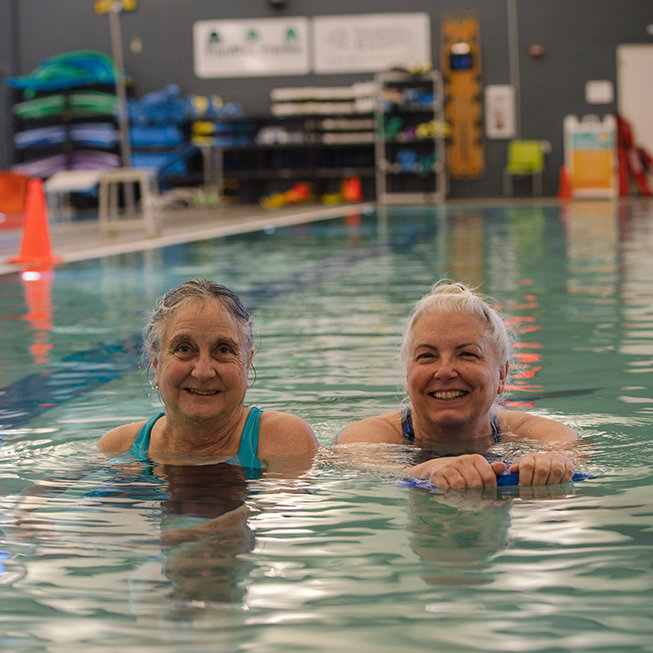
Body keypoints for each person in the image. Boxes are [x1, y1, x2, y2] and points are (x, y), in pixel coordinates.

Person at [336, 280, 580, 489]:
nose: (444, 371)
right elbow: (361, 464)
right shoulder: (368, 437)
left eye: (467, 354)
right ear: (408, 376)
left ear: (502, 374)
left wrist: (550, 464)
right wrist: (424, 472)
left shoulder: (534, 434)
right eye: (426, 356)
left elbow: (573, 452)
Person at [99, 279, 318, 470]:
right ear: (156, 363)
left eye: (223, 350)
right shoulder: (119, 448)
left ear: (247, 363)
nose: (203, 372)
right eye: (184, 349)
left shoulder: (282, 440)